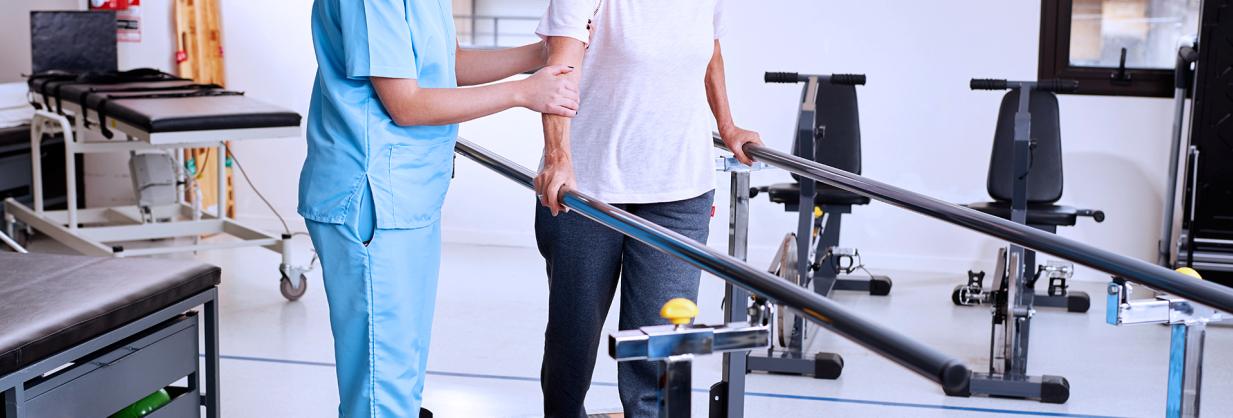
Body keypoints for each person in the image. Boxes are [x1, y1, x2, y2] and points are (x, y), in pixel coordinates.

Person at [299, 1, 580, 417]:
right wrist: (523, 93)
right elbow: (406, 104)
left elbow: (449, 63)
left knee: (402, 371)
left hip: (410, 197)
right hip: (371, 194)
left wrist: (539, 55)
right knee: (381, 390)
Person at [532, 0, 763, 416]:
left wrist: (727, 126)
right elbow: (559, 71)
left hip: (680, 191)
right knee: (573, 343)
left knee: (658, 353)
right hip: (588, 193)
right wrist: (557, 155)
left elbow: (711, 52)